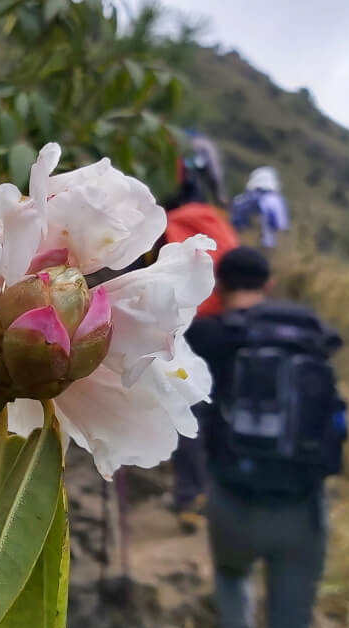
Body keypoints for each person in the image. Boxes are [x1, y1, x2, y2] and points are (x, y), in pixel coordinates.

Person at [186, 247, 347, 628]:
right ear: (270, 281)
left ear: (221, 284)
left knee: (231, 575)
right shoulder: (310, 331)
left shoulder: (210, 334)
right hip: (300, 513)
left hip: (232, 499)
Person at [163, 137, 239, 528]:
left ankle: (190, 495)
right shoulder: (211, 218)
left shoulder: (166, 222)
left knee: (189, 408)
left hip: (188, 327)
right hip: (226, 325)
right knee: (215, 408)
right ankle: (219, 490)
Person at [231, 166, 290, 249]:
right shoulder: (276, 200)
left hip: (240, 243)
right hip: (268, 244)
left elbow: (233, 222)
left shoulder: (240, 199)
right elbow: (281, 225)